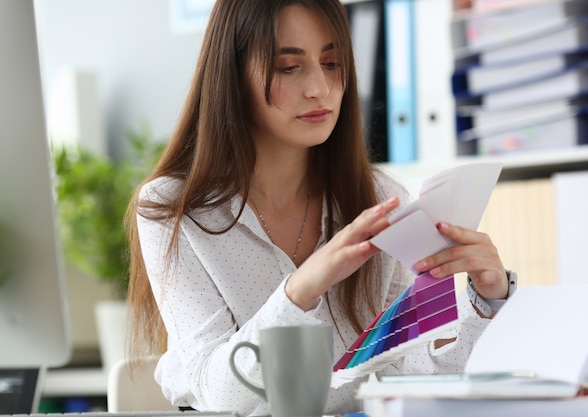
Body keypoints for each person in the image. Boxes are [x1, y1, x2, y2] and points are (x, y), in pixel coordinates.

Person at [125, 0, 513, 415]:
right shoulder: (174, 209)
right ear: (232, 76)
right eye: (289, 68)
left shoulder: (380, 197)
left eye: (331, 64)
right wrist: (300, 291)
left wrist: (487, 304)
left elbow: (407, 378)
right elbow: (219, 393)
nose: (319, 89)